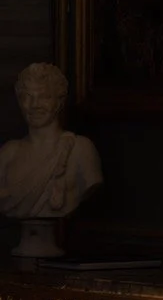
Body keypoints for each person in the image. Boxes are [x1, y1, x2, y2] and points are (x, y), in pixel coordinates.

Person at [0, 63, 102, 219]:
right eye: (27, 97)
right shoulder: (9, 152)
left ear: (59, 101)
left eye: (44, 97)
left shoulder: (80, 149)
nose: (34, 105)